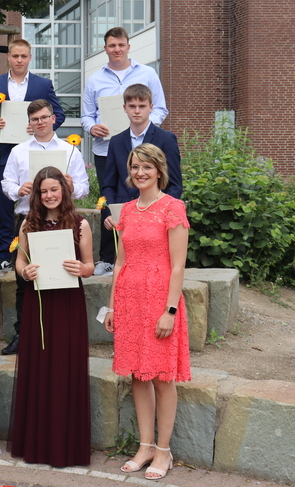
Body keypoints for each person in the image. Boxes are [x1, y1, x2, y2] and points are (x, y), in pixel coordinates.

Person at [105, 144, 190, 481]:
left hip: (159, 302)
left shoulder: (173, 208)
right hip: (129, 301)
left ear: (159, 171)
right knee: (138, 376)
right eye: (135, 167)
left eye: (146, 167)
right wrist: (112, 305)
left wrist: (170, 310)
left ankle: (164, 450)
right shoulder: (126, 210)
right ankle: (145, 446)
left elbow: (178, 265)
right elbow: (120, 262)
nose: (140, 173)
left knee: (162, 378)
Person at [11, 167, 94, 467]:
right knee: (39, 365)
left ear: (64, 191)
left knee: (65, 367)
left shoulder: (80, 224)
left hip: (69, 303)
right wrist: (25, 271)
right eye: (44, 191)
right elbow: (20, 261)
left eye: (54, 190)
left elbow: (90, 265)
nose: (49, 195)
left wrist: (81, 269)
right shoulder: (28, 223)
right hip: (39, 302)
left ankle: (66, 446)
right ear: (37, 194)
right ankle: (37, 444)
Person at [0, 99, 88, 355]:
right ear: (29, 123)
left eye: (44, 117)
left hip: (64, 222)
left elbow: (84, 188)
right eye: (34, 119)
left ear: (53, 119)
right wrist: (19, 189)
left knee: (63, 276)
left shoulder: (70, 151)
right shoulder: (19, 151)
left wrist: (71, 186)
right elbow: (6, 184)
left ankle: (61, 334)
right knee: (26, 279)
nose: (40, 122)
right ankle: (23, 333)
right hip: (30, 220)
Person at [81, 27, 168, 276]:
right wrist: (92, 127)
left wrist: (144, 130)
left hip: (145, 151)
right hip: (107, 150)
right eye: (112, 45)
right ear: (105, 48)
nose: (117, 49)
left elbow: (160, 108)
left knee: (146, 198)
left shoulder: (148, 73)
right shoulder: (95, 80)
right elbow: (86, 116)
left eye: (121, 45)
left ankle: (143, 254)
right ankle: (108, 258)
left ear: (128, 46)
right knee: (110, 201)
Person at [0, 38, 65, 271]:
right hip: (3, 153)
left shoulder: (43, 84)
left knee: (40, 202)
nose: (19, 60)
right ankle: (4, 255)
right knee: (4, 205)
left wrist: (41, 129)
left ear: (29, 58)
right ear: (8, 57)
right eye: (15, 56)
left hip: (36, 152)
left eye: (23, 56)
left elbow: (59, 114)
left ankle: (39, 253)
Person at [102, 84, 183, 241]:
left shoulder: (166, 139)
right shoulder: (116, 141)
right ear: (125, 108)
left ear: (151, 107)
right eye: (132, 106)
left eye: (142, 106)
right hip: (122, 215)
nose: (137, 111)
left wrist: (162, 211)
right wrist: (110, 212)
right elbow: (109, 184)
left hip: (156, 215)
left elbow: (175, 184)